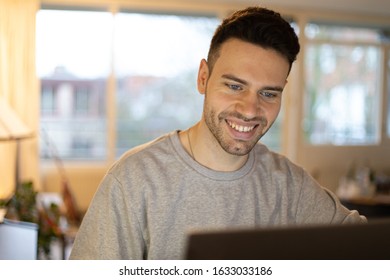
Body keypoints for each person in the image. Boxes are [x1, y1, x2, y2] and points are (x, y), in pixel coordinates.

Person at [69, 6, 366, 260]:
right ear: (203, 78)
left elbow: (366, 248)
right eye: (235, 86)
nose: (250, 110)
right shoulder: (133, 180)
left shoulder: (290, 186)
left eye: (268, 93)